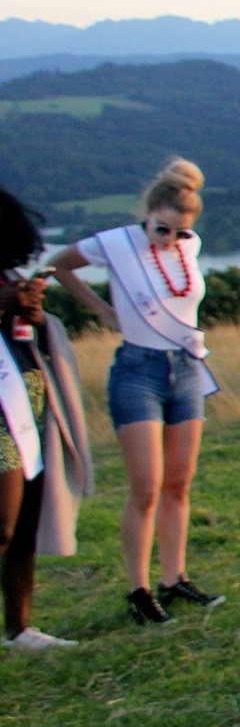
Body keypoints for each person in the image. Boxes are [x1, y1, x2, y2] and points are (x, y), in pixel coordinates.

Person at [49, 157, 223, 626]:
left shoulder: (189, 247)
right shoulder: (115, 244)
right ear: (147, 213)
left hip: (185, 370)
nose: (169, 239)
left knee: (178, 484)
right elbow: (58, 265)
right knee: (145, 487)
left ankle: (174, 577)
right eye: (161, 229)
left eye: (179, 232)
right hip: (136, 371)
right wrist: (101, 310)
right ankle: (138, 589)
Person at [2, 186, 94, 650]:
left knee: (26, 520)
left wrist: (35, 315)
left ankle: (19, 627)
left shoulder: (9, 276)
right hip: (2, 416)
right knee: (3, 520)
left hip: (31, 400)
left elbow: (30, 339)